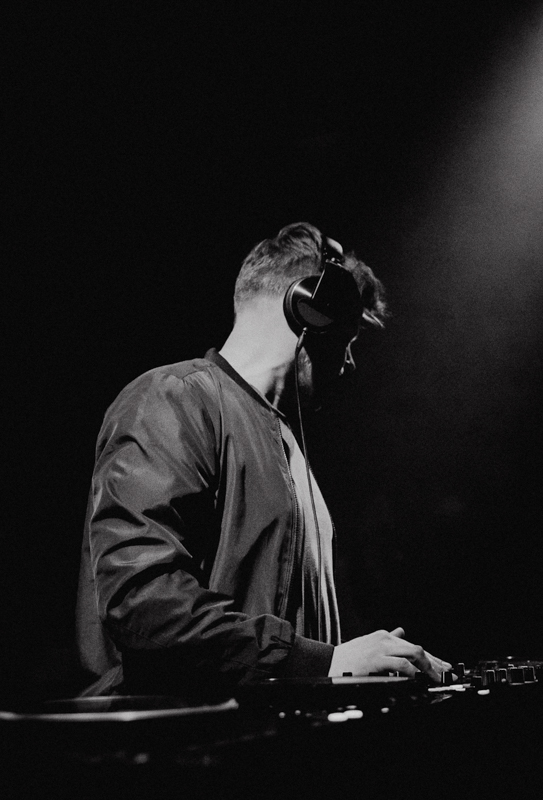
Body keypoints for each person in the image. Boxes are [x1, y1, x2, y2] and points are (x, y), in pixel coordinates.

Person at [74, 222, 449, 697]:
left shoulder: (286, 442)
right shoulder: (173, 398)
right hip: (184, 735)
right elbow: (142, 602)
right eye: (348, 337)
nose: (349, 362)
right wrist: (323, 662)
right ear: (308, 310)